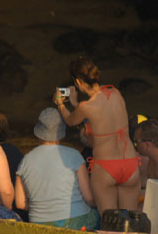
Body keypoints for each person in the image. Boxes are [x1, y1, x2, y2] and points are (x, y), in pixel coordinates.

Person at [53, 56, 141, 213]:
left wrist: (61, 104)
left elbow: (70, 120)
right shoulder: (116, 93)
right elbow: (104, 118)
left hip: (106, 167)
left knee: (109, 225)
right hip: (130, 163)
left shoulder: (86, 107)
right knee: (130, 222)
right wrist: (76, 104)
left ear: (78, 82)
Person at [14, 108, 98, 230]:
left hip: (40, 224)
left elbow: (20, 203)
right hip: (76, 221)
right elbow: (90, 198)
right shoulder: (74, 155)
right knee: (101, 216)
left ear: (39, 132)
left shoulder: (26, 160)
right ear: (61, 131)